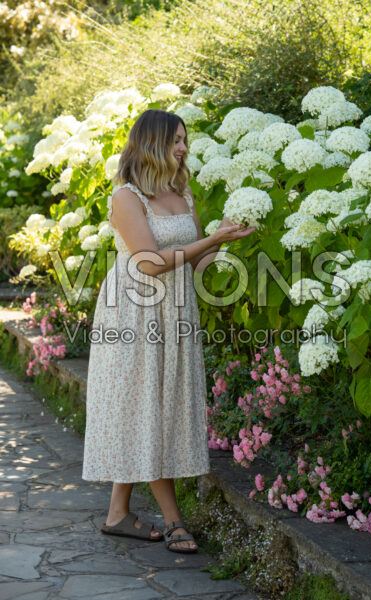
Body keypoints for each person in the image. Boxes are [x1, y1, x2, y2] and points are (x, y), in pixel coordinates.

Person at [82, 108, 255, 553]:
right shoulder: (127, 197)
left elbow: (198, 265)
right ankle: (175, 520)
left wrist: (223, 236)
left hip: (176, 312)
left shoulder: (183, 195)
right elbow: (151, 262)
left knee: (156, 403)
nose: (183, 147)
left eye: (184, 139)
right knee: (149, 405)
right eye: (176, 139)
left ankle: (118, 513)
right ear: (153, 142)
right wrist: (210, 241)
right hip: (135, 313)